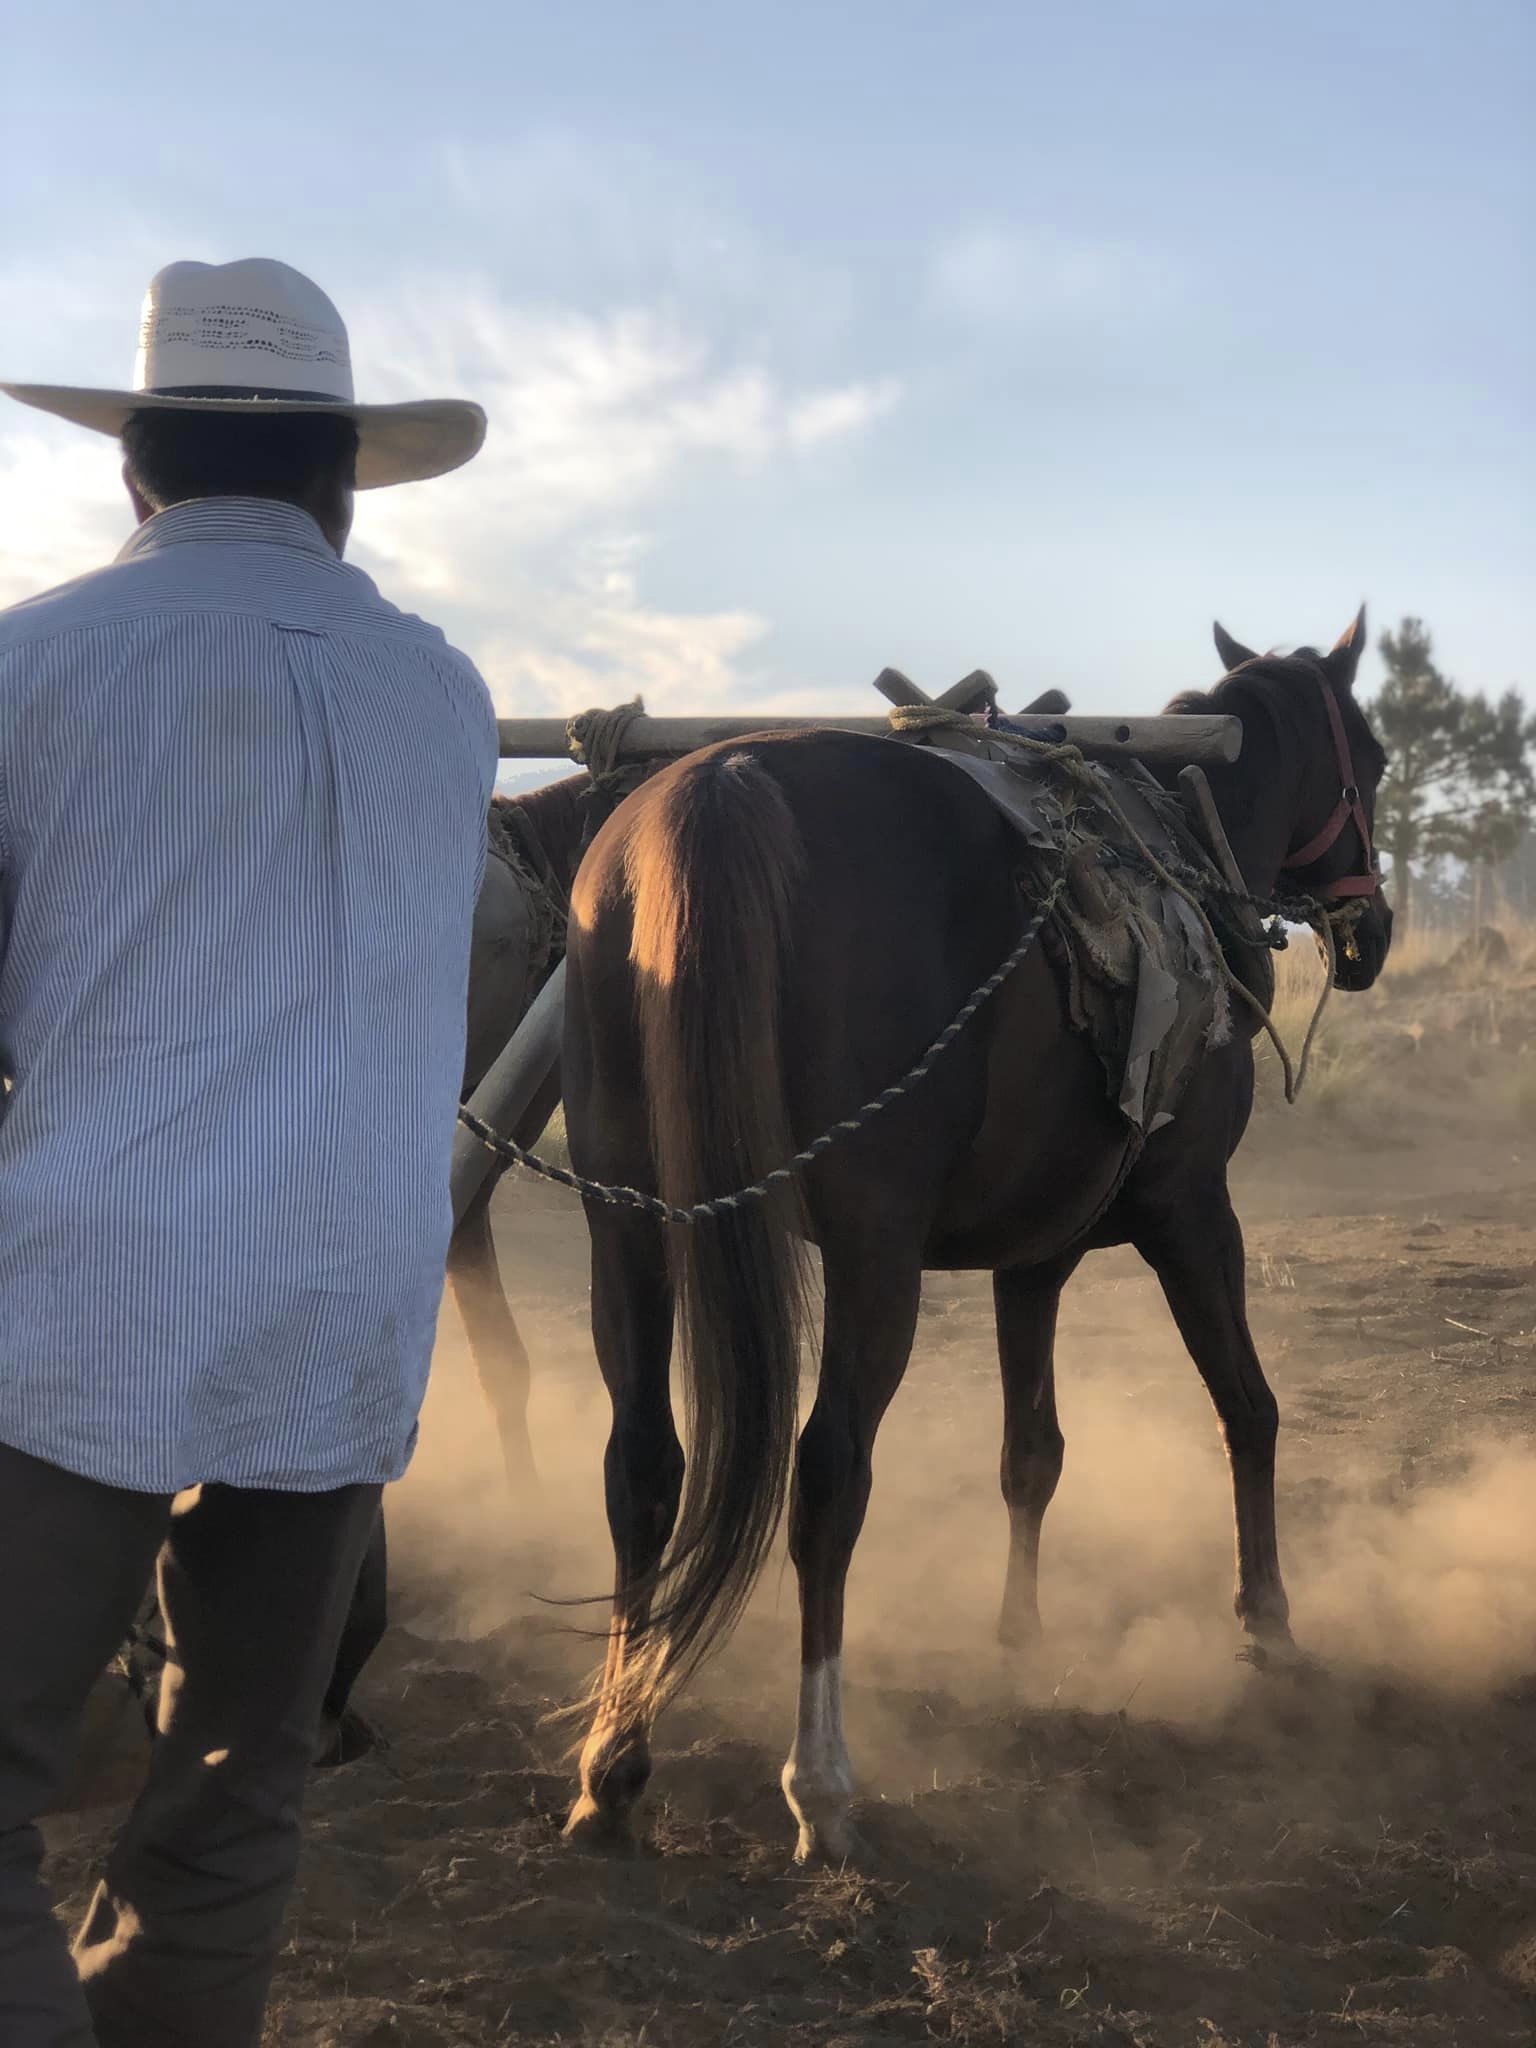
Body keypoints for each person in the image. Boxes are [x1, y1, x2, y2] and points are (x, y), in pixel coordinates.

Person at [0, 257, 497, 2047]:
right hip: (346, 1304)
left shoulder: (28, 666)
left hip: (84, 1308)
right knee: (235, 1787)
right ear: (342, 482)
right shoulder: (440, 693)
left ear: (135, 463)